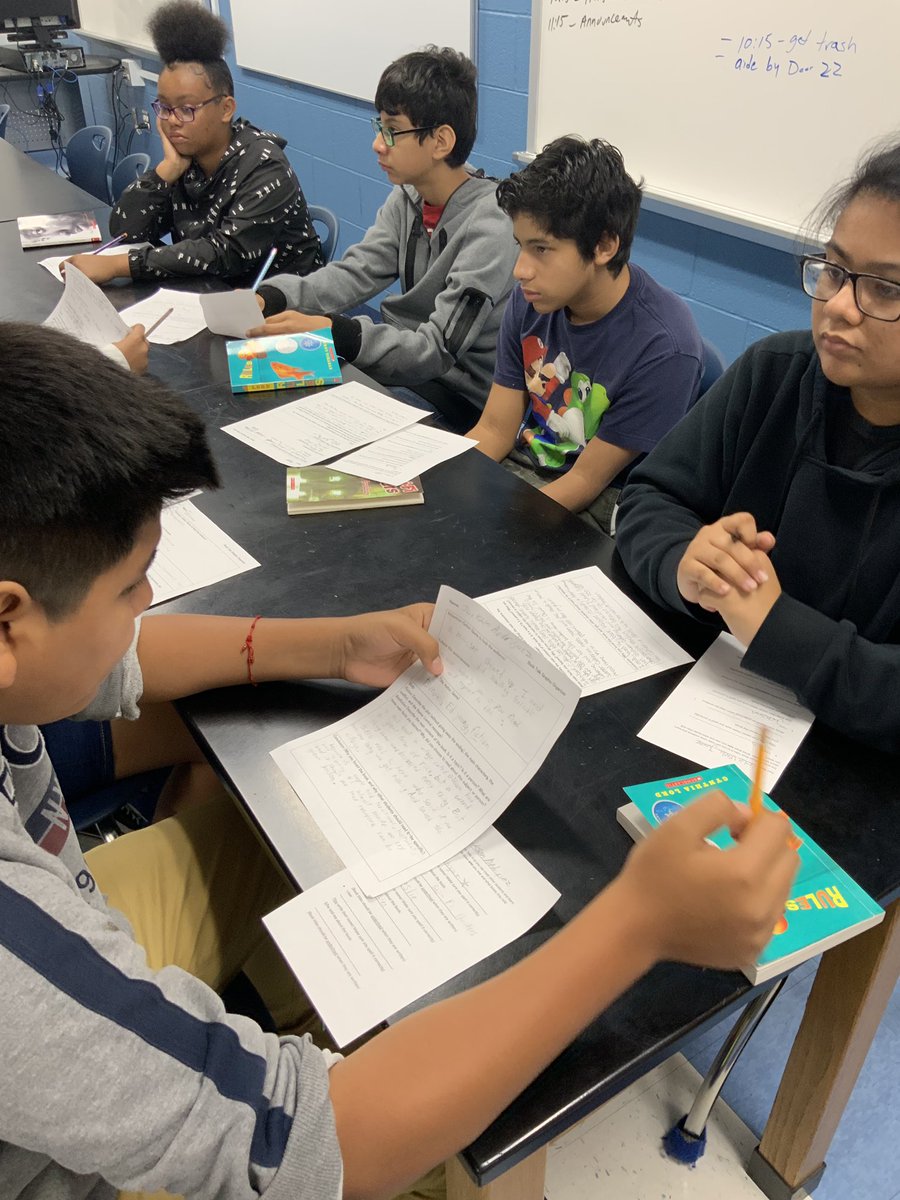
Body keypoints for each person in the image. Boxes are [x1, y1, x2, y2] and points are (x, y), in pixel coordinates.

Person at [0, 321, 799, 1200]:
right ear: (11, 621)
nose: (148, 601)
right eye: (130, 586)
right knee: (475, 1149)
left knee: (274, 836)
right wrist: (638, 923)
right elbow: (297, 1148)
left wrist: (332, 643)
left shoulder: (19, 666)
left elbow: (122, 669)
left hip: (74, 919)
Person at [616, 138, 900, 752]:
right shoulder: (776, 372)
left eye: (887, 290)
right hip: (714, 723)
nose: (841, 307)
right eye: (835, 269)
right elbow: (647, 499)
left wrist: (775, 627)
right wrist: (685, 565)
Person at [248, 47, 517, 413]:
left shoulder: (493, 226)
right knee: (258, 376)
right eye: (379, 127)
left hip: (459, 398)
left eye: (392, 131)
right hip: (407, 370)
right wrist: (271, 297)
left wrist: (335, 332)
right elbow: (354, 274)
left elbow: (435, 351)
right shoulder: (407, 197)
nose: (378, 144)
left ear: (441, 141)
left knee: (323, 415)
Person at [465, 137, 703, 534]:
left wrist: (493, 528)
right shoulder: (533, 299)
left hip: (591, 510)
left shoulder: (665, 348)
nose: (521, 270)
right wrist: (439, 485)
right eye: (521, 246)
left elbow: (585, 483)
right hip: (520, 474)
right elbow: (493, 429)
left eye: (541, 248)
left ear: (604, 245)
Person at [65, 0, 321, 288]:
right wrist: (166, 171)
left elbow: (225, 253)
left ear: (226, 109)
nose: (172, 121)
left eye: (186, 110)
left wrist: (120, 265)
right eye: (164, 108)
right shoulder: (187, 161)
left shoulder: (264, 165)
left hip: (280, 313)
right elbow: (126, 231)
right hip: (208, 297)